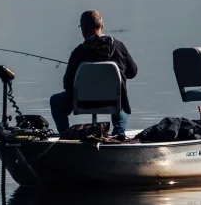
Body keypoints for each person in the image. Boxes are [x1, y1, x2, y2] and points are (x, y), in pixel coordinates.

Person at [50, 9, 139, 137]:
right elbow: (132, 72)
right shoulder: (119, 47)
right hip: (113, 101)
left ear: (83, 30)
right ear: (101, 26)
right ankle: (119, 133)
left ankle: (65, 134)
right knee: (121, 93)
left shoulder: (78, 52)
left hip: (81, 102)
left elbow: (67, 83)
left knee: (55, 100)